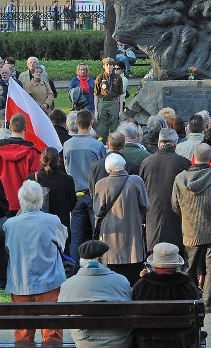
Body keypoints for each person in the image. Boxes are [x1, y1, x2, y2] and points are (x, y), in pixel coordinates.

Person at [3, 180, 68, 344]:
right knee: (52, 334)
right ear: (41, 199)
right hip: (50, 282)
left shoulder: (10, 225)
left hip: (20, 283)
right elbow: (62, 244)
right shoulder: (52, 221)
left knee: (23, 334)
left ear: (20, 200)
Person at [172, 142, 211, 312]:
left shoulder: (180, 179)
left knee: (189, 266)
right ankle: (207, 302)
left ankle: (190, 299)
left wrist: (187, 217)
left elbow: (174, 205)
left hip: (190, 228)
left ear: (193, 157)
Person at [58, 240, 133, 348]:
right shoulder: (121, 280)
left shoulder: (68, 284)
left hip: (85, 342)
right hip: (119, 342)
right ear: (102, 258)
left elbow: (64, 315)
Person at [93, 153, 149, 285]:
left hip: (110, 239)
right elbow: (145, 206)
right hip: (134, 234)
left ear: (108, 169)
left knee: (113, 276)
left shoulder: (101, 184)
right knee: (134, 276)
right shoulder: (136, 181)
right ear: (123, 165)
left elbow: (98, 211)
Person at [132, 242, 202, 348]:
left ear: (154, 263)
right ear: (176, 263)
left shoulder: (142, 285)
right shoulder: (187, 284)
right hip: (181, 342)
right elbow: (198, 317)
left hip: (147, 342)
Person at [63, 109, 106, 257]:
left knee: (76, 237)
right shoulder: (97, 146)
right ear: (91, 124)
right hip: (92, 194)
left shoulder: (67, 145)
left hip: (75, 193)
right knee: (97, 234)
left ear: (76, 123)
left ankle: (75, 268)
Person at [140, 129, 190, 253]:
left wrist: (143, 218)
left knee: (154, 255)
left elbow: (141, 191)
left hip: (153, 215)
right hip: (178, 216)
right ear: (175, 143)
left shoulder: (147, 162)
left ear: (158, 143)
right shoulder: (184, 163)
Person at [0, 113, 41, 217]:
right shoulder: (32, 151)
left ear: (9, 127)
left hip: (2, 199)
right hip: (26, 201)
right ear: (25, 128)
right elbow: (35, 177)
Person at [94, 57, 123, 141]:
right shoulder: (100, 77)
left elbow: (121, 94)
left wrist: (121, 110)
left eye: (111, 65)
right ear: (103, 66)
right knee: (103, 124)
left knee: (115, 124)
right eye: (107, 65)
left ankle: (115, 143)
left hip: (114, 102)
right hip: (103, 102)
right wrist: (96, 110)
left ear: (113, 66)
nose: (109, 67)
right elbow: (96, 94)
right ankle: (104, 142)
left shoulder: (118, 77)